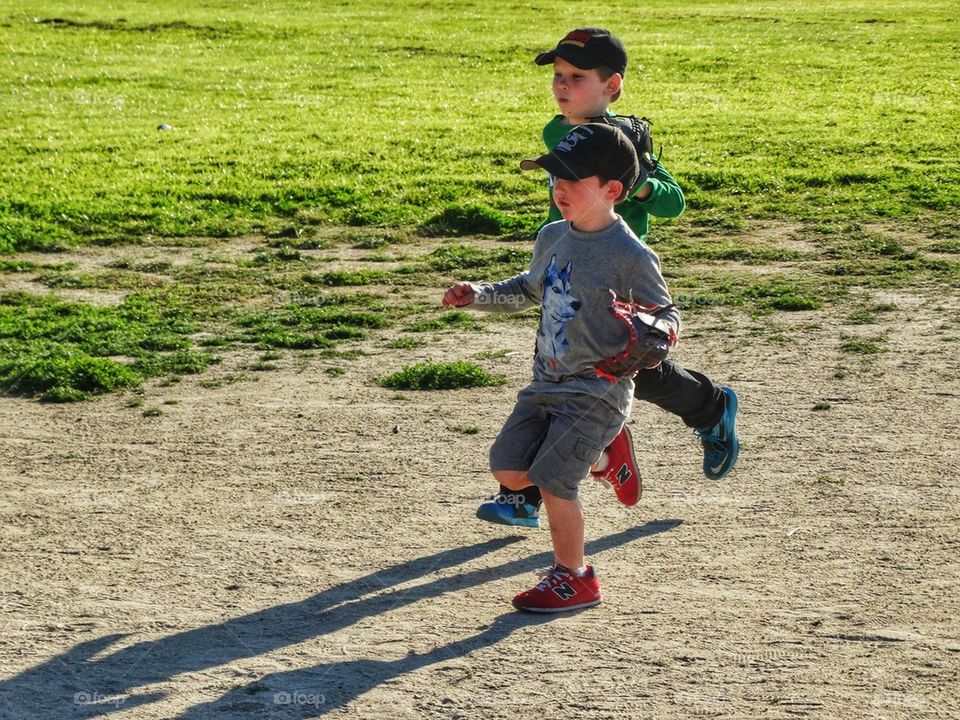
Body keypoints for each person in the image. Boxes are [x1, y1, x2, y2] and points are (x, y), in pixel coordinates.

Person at [475, 27, 738, 529]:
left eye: (577, 77)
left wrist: (635, 186)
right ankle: (527, 491)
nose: (562, 85)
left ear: (612, 85)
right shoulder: (558, 133)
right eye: (557, 76)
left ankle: (708, 407)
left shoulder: (627, 139)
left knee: (623, 371)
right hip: (570, 268)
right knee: (559, 366)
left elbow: (673, 201)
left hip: (616, 277)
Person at [443, 123, 679, 611]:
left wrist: (655, 333)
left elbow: (666, 312)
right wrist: (479, 295)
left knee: (553, 481)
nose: (559, 189)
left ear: (612, 190)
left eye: (573, 181)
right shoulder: (552, 236)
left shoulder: (631, 255)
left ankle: (575, 577)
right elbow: (531, 288)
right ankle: (605, 459)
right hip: (545, 381)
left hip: (598, 389)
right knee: (509, 471)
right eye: (554, 178)